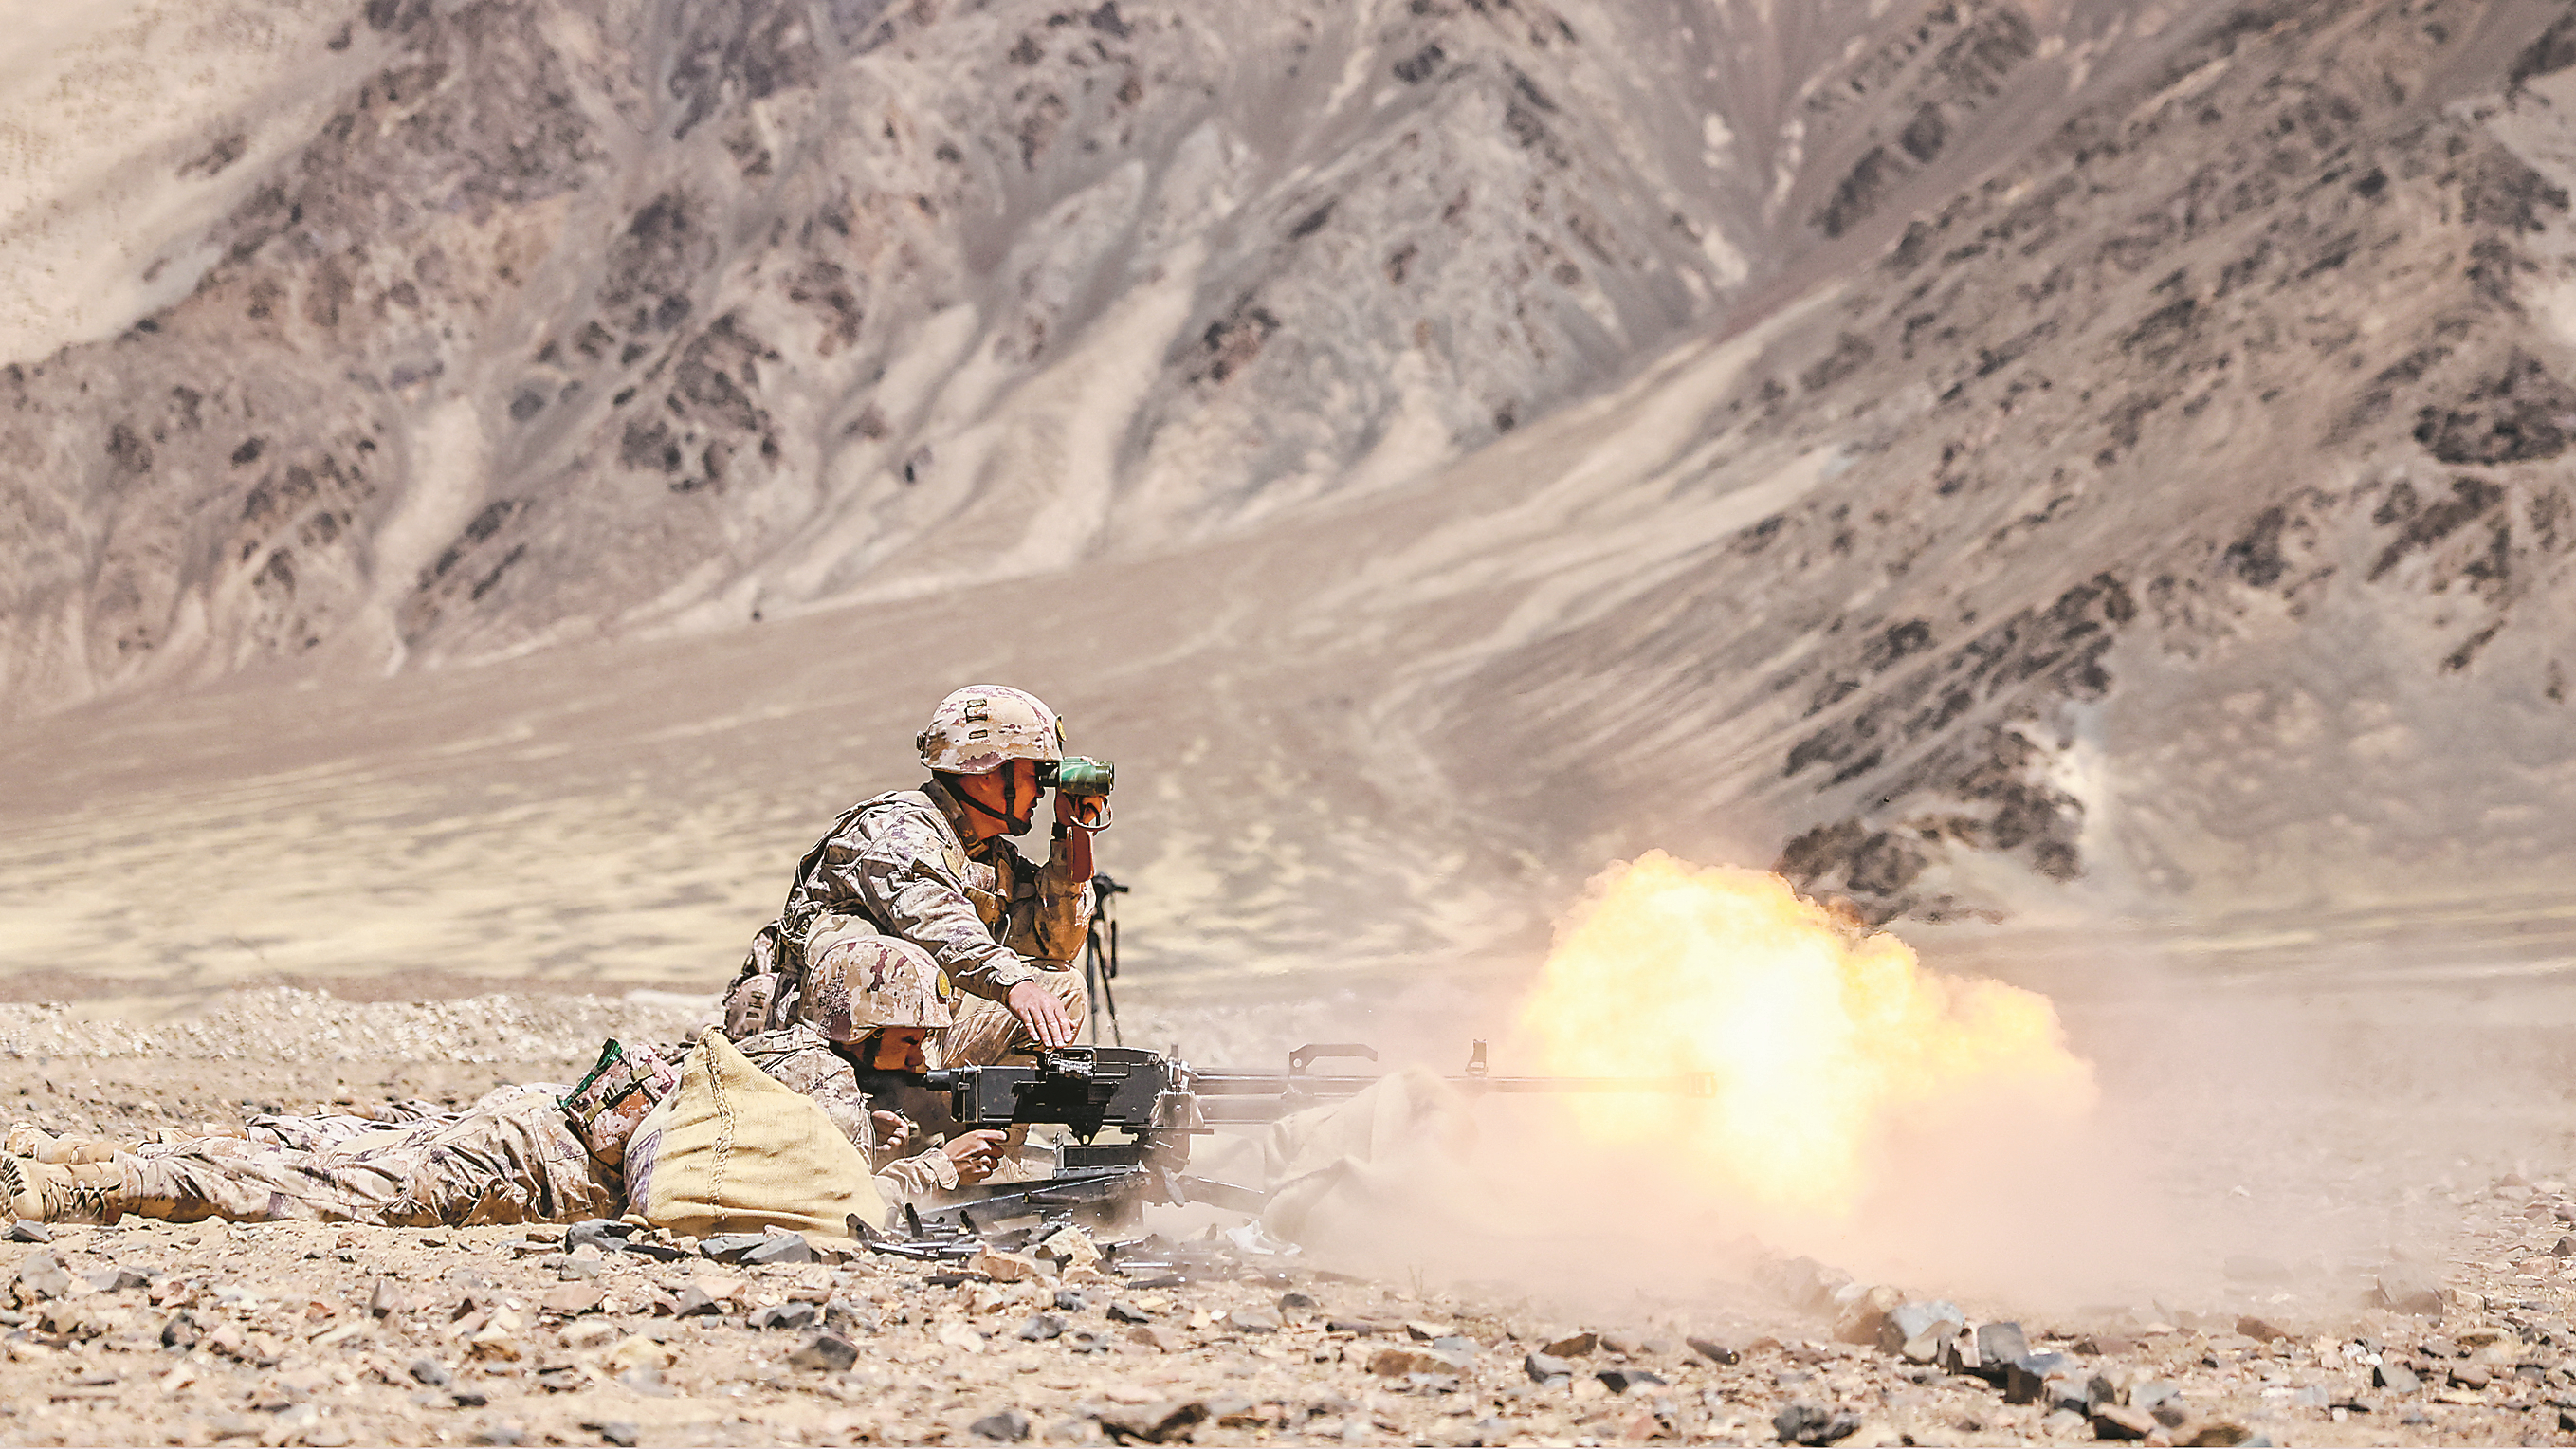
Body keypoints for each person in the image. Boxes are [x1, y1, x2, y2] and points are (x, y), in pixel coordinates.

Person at [0, 945, 1003, 1227]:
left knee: (322, 1144)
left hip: (534, 1119)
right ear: (861, 1019)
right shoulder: (819, 1082)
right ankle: (80, 1189)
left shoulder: (778, 1049)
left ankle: (85, 1152)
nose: (921, 1051)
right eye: (909, 1030)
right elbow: (816, 1207)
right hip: (539, 1171)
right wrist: (934, 1174)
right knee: (326, 1190)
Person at [721, 685, 1108, 1071]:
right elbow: (939, 924)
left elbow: (1056, 943)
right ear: (987, 773)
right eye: (1035, 773)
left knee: (1062, 986)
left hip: (908, 1043)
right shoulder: (897, 831)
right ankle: (911, 1106)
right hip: (830, 1050)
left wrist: (1072, 835)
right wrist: (1013, 985)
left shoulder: (986, 855)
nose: (1041, 790)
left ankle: (964, 1112)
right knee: (1020, 989)